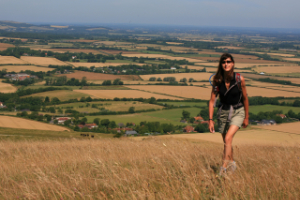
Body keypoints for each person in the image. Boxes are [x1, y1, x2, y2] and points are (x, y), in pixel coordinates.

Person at [208, 53, 249, 175]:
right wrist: (210, 119)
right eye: (224, 62)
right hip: (223, 112)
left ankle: (224, 168)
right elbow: (212, 101)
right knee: (227, 142)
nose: (226, 64)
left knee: (228, 138)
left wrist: (246, 117)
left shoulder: (239, 79)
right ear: (221, 64)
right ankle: (233, 164)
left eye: (228, 61)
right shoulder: (217, 80)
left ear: (233, 64)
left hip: (238, 111)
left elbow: (245, 98)